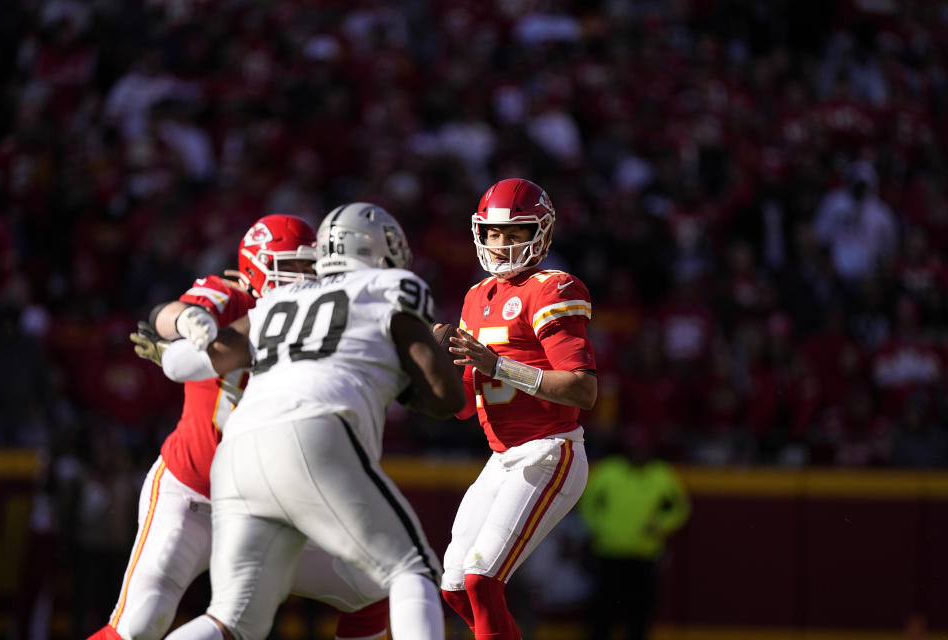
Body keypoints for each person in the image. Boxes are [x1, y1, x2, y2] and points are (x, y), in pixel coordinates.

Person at [154, 203, 465, 640]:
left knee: (232, 622)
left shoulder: (280, 298)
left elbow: (184, 361)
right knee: (411, 569)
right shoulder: (390, 286)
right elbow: (444, 397)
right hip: (315, 432)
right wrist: (411, 370)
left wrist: (186, 325)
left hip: (238, 454)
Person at [88, 214, 390, 640]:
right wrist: (188, 323)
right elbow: (169, 315)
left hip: (265, 511)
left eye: (313, 266)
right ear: (257, 268)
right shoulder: (229, 297)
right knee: (140, 623)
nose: (308, 278)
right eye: (295, 267)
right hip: (190, 494)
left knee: (372, 591)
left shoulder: (326, 324)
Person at [439, 178, 598, 639]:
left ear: (541, 233)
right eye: (492, 233)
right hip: (501, 458)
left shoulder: (553, 288)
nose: (501, 243)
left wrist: (500, 366)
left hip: (550, 451)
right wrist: (430, 373)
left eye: (514, 233)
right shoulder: (475, 297)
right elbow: (466, 408)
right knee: (454, 586)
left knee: (482, 578)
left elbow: (583, 392)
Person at [578, 429, 690, 640]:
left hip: (644, 553)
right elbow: (587, 503)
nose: (639, 452)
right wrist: (601, 527)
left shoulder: (661, 474)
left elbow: (680, 508)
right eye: (635, 447)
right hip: (609, 552)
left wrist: (660, 525)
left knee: (640, 613)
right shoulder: (609, 471)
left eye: (643, 448)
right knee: (603, 611)